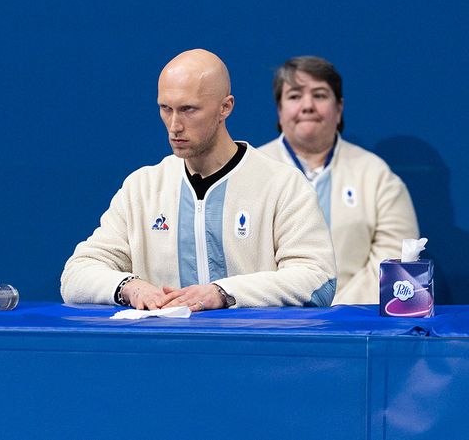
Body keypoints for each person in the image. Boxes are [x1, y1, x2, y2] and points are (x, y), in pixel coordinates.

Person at [61, 49, 337, 311]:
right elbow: (76, 274)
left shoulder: (282, 185)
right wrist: (129, 287)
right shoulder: (142, 188)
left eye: (188, 109)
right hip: (166, 344)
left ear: (225, 107)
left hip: (253, 344)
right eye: (165, 108)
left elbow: (317, 279)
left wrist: (223, 293)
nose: (174, 126)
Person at [259, 56, 418, 305]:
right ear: (280, 110)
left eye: (320, 95)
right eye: (294, 96)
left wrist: (336, 312)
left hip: (356, 321)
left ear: (339, 108)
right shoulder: (252, 171)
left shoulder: (375, 174)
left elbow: (396, 259)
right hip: (270, 319)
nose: (307, 105)